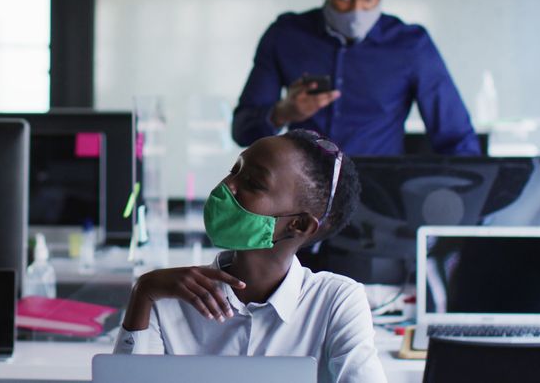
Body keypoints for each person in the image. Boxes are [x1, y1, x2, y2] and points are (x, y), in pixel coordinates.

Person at [114, 130, 386, 383]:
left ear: (299, 225)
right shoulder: (166, 295)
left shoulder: (335, 301)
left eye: (253, 183)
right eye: (234, 170)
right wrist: (144, 291)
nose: (228, 185)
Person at [232, 0, 480, 156]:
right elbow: (241, 131)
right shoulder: (284, 36)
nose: (357, 10)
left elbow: (456, 137)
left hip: (378, 196)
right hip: (301, 196)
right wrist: (282, 112)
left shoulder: (412, 46)